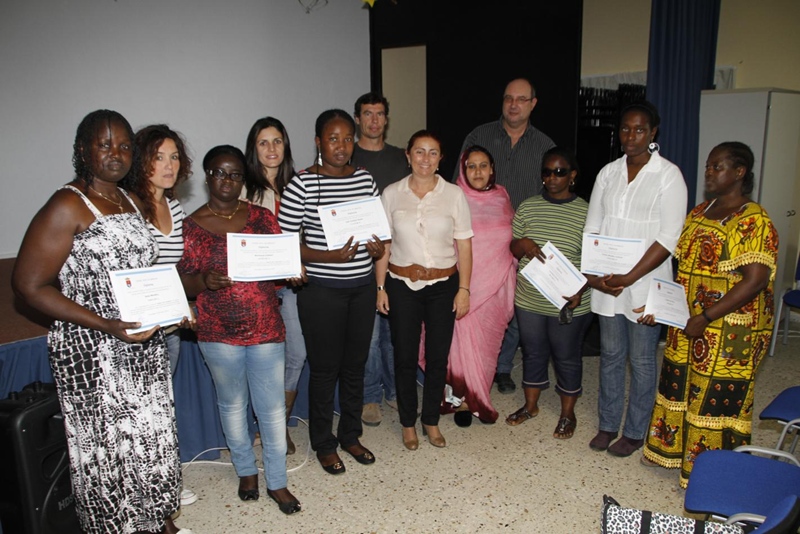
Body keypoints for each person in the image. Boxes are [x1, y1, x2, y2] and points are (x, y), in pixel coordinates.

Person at [12, 110, 188, 534]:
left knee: (149, 437)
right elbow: (28, 285)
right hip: (93, 350)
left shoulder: (130, 199)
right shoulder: (68, 204)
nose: (116, 153)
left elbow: (145, 271)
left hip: (141, 343)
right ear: (82, 149)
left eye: (124, 145)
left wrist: (174, 306)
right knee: (110, 449)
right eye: (104, 144)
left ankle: (154, 518)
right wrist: (104, 323)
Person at [641, 142, 777, 488]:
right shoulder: (700, 212)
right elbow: (683, 270)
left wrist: (706, 316)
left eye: (718, 167)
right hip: (689, 322)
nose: (709, 173)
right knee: (680, 386)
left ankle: (713, 475)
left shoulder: (753, 220)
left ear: (739, 172)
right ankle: (673, 453)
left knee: (714, 400)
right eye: (708, 166)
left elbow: (755, 280)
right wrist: (660, 306)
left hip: (730, 329)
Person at [177, 145, 301, 515]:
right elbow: (181, 281)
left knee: (272, 409)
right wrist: (203, 280)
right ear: (207, 176)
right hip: (217, 333)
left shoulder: (262, 217)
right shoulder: (192, 226)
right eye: (219, 172)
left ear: (243, 179)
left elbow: (281, 262)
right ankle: (246, 471)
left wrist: (293, 270)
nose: (227, 180)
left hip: (265, 328)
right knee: (232, 405)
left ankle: (277, 480)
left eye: (234, 174)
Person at [278, 109, 384, 475]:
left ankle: (350, 435)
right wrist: (329, 256)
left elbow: (377, 231)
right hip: (321, 291)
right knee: (325, 370)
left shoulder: (365, 179)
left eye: (347, 138)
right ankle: (323, 443)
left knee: (355, 366)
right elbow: (285, 243)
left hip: (361, 288)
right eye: (333, 138)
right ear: (318, 142)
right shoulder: (302, 184)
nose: (341, 146)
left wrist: (377, 248)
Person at [584, 101, 688, 457]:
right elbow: (593, 226)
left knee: (642, 360)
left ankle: (634, 431)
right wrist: (594, 276)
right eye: (625, 129)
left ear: (653, 132)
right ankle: (608, 424)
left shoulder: (668, 175)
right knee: (612, 355)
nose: (631, 136)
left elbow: (669, 237)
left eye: (640, 129)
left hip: (646, 282)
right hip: (609, 281)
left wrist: (629, 277)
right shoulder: (608, 172)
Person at [456, 78, 556, 394]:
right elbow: (458, 184)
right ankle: (464, 370)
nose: (514, 105)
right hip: (476, 242)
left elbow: (551, 192)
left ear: (533, 104)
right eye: (508, 98)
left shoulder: (545, 146)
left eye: (521, 99)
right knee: (471, 310)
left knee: (510, 311)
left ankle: (501, 367)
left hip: (523, 241)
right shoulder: (479, 136)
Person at [376, 130, 473, 450]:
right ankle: (408, 422)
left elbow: (465, 245)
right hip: (401, 284)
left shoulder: (454, 195)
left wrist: (464, 289)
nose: (425, 159)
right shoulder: (391, 194)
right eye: (419, 151)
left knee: (437, 357)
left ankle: (430, 419)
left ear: (441, 159)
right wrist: (380, 287)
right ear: (408, 155)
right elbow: (384, 245)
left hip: (443, 286)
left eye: (433, 153)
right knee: (404, 356)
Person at [505, 147, 592, 439]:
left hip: (568, 302)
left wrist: (582, 288)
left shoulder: (587, 211)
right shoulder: (528, 206)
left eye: (559, 172)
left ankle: (568, 414)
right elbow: (513, 246)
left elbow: (596, 260)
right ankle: (531, 406)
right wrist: (523, 244)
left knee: (566, 356)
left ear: (572, 175)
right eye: (547, 172)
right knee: (533, 353)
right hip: (529, 300)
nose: (552, 178)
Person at [242, 116, 305, 455]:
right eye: (263, 142)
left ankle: (279, 424)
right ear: (254, 148)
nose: (271, 148)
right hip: (259, 288)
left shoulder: (298, 184)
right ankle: (266, 428)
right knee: (265, 360)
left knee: (297, 353)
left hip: (293, 285)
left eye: (277, 141)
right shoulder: (243, 189)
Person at [443, 145, 515, 425]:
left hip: (496, 289)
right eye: (471, 166)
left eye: (483, 165)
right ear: (463, 170)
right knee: (460, 347)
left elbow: (510, 239)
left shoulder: (502, 196)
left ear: (492, 169)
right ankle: (461, 401)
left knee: (487, 349)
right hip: (465, 286)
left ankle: (480, 396)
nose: (477, 171)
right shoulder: (453, 197)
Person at [351, 92, 408, 427]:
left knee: (393, 331)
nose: (374, 120)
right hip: (359, 259)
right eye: (367, 113)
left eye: (379, 113)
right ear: (357, 119)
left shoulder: (401, 158)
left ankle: (395, 389)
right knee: (369, 334)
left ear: (387, 118)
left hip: (397, 256)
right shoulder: (345, 156)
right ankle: (370, 396)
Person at [122, 124, 192, 375]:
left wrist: (183, 304)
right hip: (138, 332)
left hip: (170, 329)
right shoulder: (127, 207)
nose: (169, 166)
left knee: (165, 397)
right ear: (141, 162)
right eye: (158, 158)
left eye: (174, 157)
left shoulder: (175, 208)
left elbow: (178, 269)